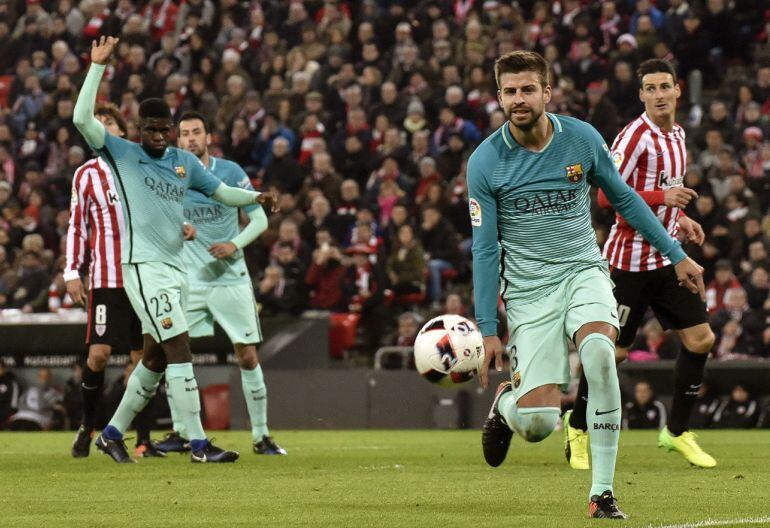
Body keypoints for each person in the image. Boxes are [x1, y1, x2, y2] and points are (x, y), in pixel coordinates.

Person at [470, 51, 705, 520]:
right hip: (529, 291)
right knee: (538, 425)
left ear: (546, 92)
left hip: (583, 271)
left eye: (527, 89)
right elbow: (484, 248)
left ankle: (602, 493)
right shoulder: (485, 163)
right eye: (510, 91)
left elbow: (625, 199)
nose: (519, 99)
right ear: (499, 97)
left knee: (599, 352)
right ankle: (507, 404)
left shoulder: (581, 139)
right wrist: (487, 328)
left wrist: (676, 255)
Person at [73, 36, 274, 464]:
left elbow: (223, 193)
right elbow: (80, 118)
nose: (162, 136)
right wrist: (97, 68)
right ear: (139, 129)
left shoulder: (184, 163)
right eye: (154, 129)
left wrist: (255, 198)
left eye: (167, 129)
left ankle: (110, 433)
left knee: (155, 358)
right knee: (180, 347)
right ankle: (199, 445)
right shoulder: (120, 152)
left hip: (174, 268)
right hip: (143, 268)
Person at [565, 59, 717, 471]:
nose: (659, 94)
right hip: (628, 263)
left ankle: (677, 433)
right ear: (642, 95)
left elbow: (668, 192)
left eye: (665, 86)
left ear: (678, 89)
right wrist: (661, 201)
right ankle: (577, 427)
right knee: (611, 354)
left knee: (701, 340)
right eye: (650, 89)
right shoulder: (633, 138)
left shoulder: (679, 134)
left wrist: (680, 219)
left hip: (667, 256)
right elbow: (602, 197)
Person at [157, 110, 285, 456]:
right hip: (189, 279)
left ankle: (261, 436)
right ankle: (181, 431)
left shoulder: (230, 172)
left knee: (246, 355)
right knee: (176, 355)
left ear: (208, 137)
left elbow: (258, 220)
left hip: (230, 277)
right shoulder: (170, 175)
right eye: (184, 134)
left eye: (197, 132)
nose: (191, 138)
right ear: (178, 140)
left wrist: (235, 244)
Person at [66, 102, 164, 459]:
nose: (104, 128)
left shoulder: (142, 168)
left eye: (110, 122)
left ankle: (142, 439)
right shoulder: (86, 175)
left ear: (122, 132)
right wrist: (72, 271)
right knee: (99, 355)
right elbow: (77, 224)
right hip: (106, 280)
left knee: (144, 359)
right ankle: (87, 425)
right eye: (97, 123)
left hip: (143, 276)